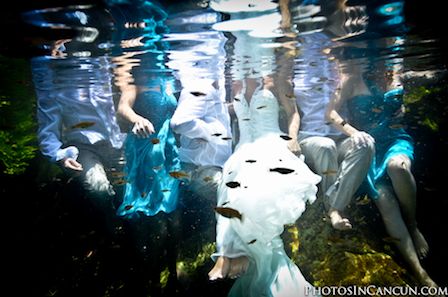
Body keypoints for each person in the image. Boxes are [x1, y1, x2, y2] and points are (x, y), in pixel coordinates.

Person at [207, 1, 322, 296]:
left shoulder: (278, 75)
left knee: (246, 187)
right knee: (229, 184)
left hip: (272, 145)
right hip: (243, 146)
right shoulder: (231, 74)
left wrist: (293, 137)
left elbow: (294, 113)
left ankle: (233, 254)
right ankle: (230, 253)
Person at [326, 43, 438, 287]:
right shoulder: (351, 77)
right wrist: (354, 133)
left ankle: (413, 224)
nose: (374, 62)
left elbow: (400, 103)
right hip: (370, 148)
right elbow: (331, 113)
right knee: (385, 200)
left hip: (396, 139)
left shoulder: (395, 70)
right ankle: (421, 274)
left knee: (398, 167)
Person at [292, 0, 375, 231]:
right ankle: (333, 209)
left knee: (366, 142)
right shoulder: (299, 51)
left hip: (340, 137)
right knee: (325, 145)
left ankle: (336, 203)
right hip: (311, 136)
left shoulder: (341, 54)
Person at [33, 37, 126, 221]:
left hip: (117, 141)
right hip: (83, 146)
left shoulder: (101, 62)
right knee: (99, 189)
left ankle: (130, 226)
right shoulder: (50, 72)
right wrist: (59, 156)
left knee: (132, 190)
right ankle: (111, 223)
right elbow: (47, 119)